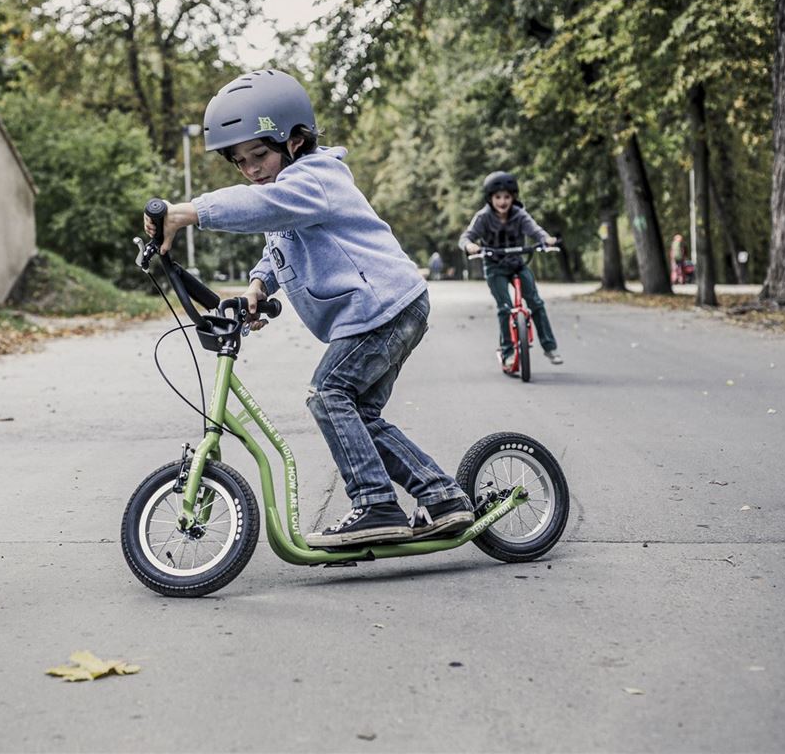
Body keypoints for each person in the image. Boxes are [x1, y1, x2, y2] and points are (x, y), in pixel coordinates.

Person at [143, 69, 473, 548]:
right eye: (240, 162)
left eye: (259, 154)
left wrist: (189, 211)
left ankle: (376, 504)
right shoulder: (290, 194)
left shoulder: (316, 178)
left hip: (383, 307)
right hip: (384, 309)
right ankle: (444, 497)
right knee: (359, 413)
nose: (251, 169)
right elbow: (279, 239)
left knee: (329, 392)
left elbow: (268, 207)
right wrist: (258, 283)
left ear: (296, 139)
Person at [459, 171, 563, 373]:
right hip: (495, 266)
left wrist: (546, 239)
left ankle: (550, 347)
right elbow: (465, 237)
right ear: (490, 198)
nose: (502, 201)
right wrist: (470, 245)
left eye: (507, 197)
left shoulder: (519, 214)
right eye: (498, 197)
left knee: (535, 302)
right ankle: (508, 353)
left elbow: (535, 231)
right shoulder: (483, 217)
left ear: (513, 197)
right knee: (505, 308)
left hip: (518, 264)